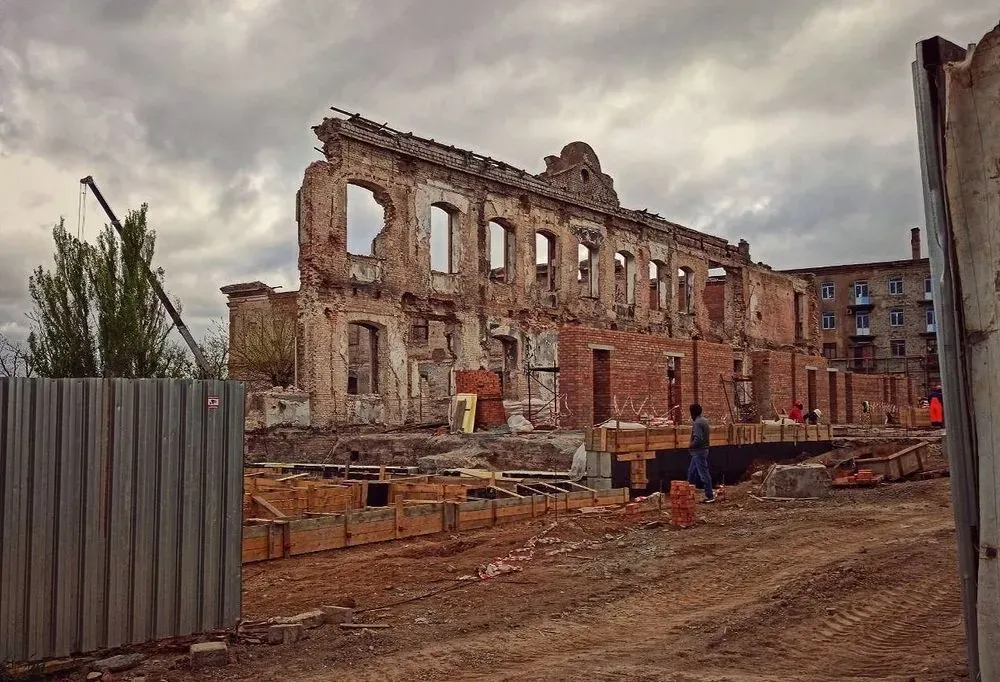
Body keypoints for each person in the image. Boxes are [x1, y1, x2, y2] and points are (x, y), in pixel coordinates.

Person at [686, 403, 716, 503]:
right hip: (701, 451)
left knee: (703, 474)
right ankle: (687, 495)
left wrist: (691, 445)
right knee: (691, 473)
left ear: (692, 412)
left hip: (699, 452)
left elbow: (698, 438)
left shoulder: (697, 423)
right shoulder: (704, 421)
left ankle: (710, 496)